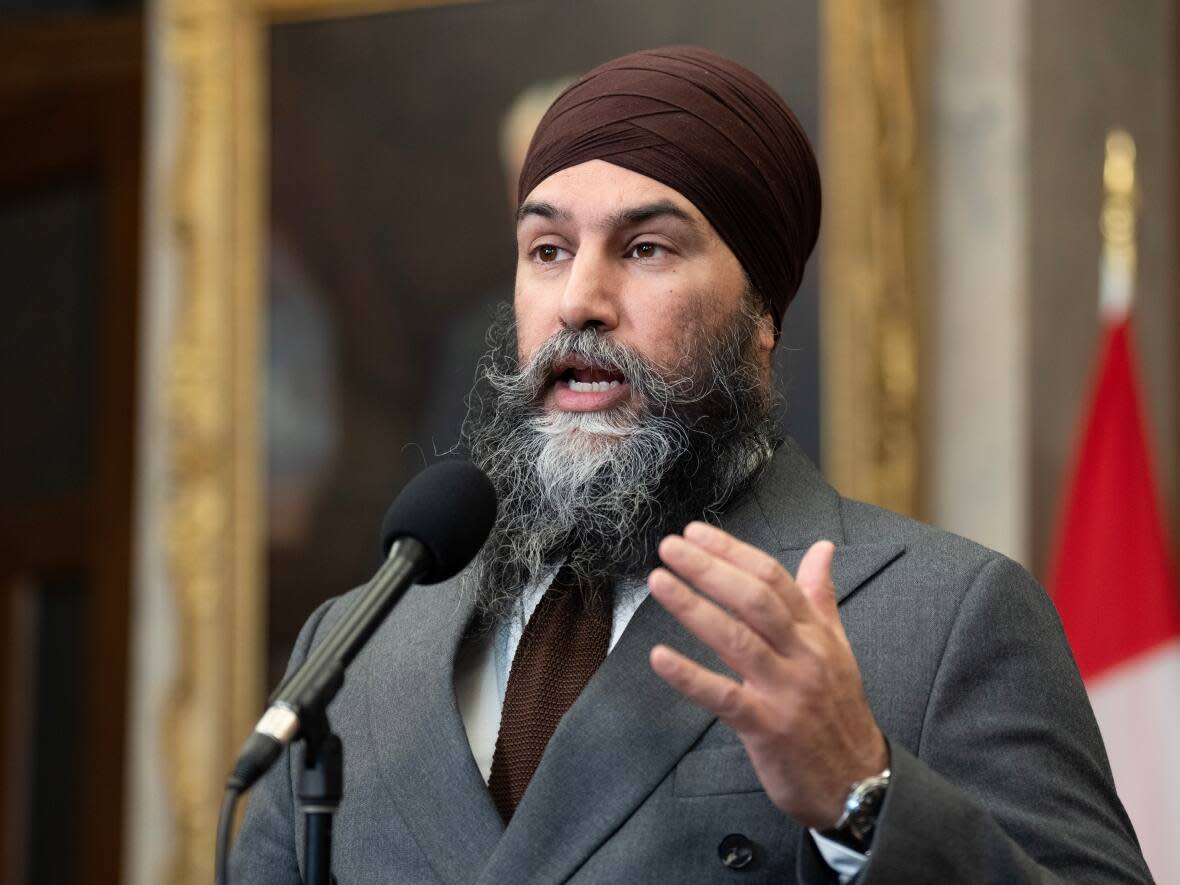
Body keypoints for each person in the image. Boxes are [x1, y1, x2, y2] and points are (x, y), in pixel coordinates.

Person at [233, 46, 1152, 883]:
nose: (581, 301)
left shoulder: (945, 619)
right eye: (547, 251)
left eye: (645, 248)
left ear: (760, 316)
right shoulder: (351, 650)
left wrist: (861, 796)